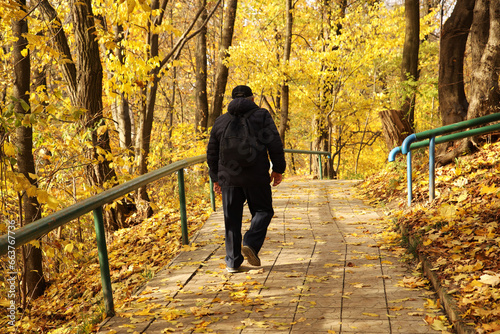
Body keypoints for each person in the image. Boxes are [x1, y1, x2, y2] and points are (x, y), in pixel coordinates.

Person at [207, 85, 286, 273]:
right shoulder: (262, 116)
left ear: (231, 100)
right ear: (252, 99)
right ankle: (250, 242)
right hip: (256, 175)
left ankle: (233, 262)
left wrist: (215, 177)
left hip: (229, 178)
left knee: (231, 219)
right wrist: (278, 169)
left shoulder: (220, 121)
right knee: (263, 211)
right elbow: (274, 142)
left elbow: (212, 153)